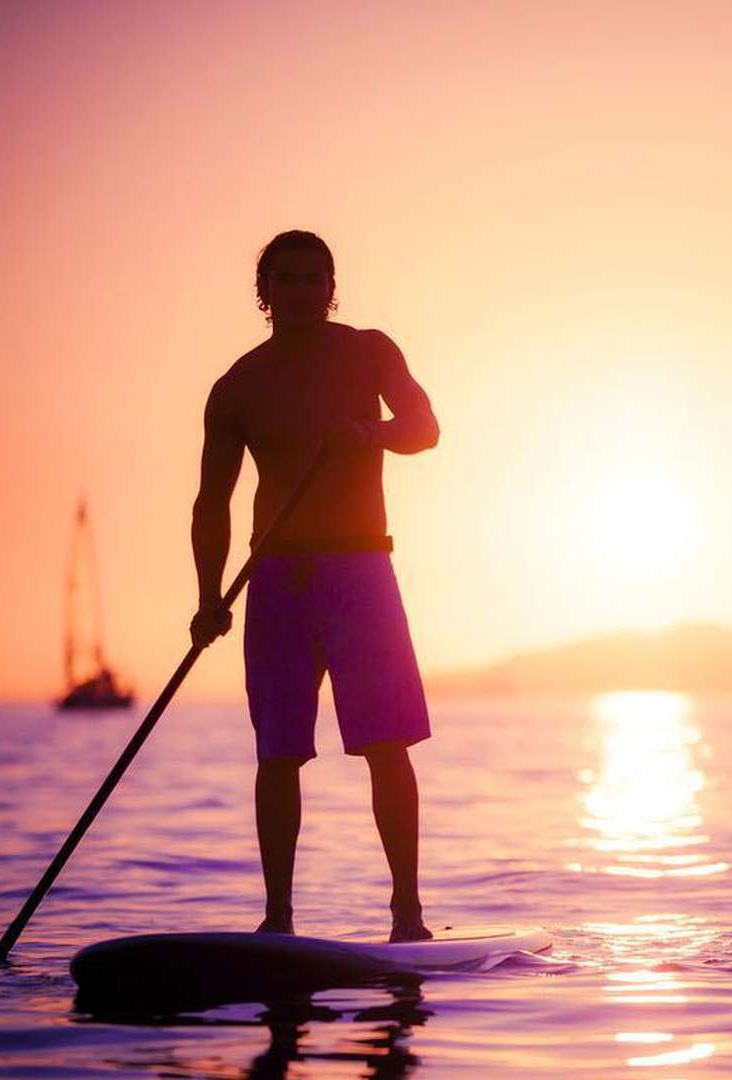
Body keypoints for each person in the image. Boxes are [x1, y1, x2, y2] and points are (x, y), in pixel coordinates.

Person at [189, 230, 439, 942]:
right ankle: (277, 920)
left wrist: (372, 432)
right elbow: (212, 501)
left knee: (386, 745)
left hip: (362, 571)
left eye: (313, 280)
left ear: (333, 289)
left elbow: (425, 427)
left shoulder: (369, 351)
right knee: (278, 753)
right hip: (276, 578)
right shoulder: (237, 386)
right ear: (264, 292)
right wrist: (209, 596)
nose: (300, 293)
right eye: (286, 281)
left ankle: (408, 918)